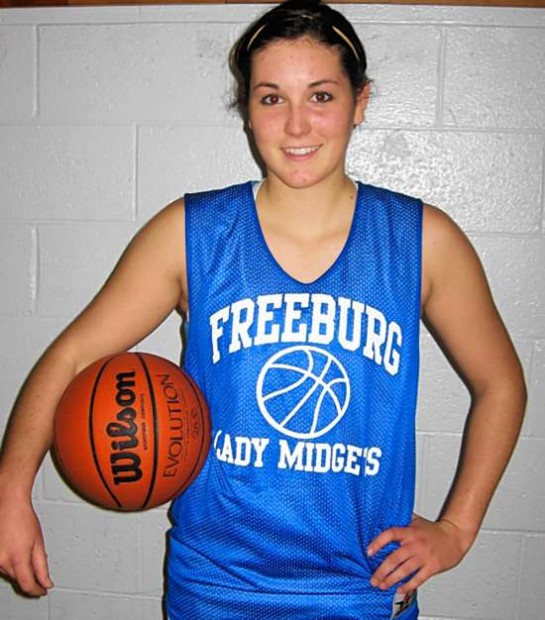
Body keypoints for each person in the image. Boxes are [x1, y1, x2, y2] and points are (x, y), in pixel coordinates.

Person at [0, 0, 526, 618]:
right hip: (215, 588)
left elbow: (501, 384)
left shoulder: (422, 240)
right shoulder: (192, 234)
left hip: (360, 591)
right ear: (247, 110)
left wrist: (457, 529)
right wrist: (11, 492)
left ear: (360, 102)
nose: (297, 125)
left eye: (321, 96)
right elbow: (70, 357)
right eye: (272, 98)